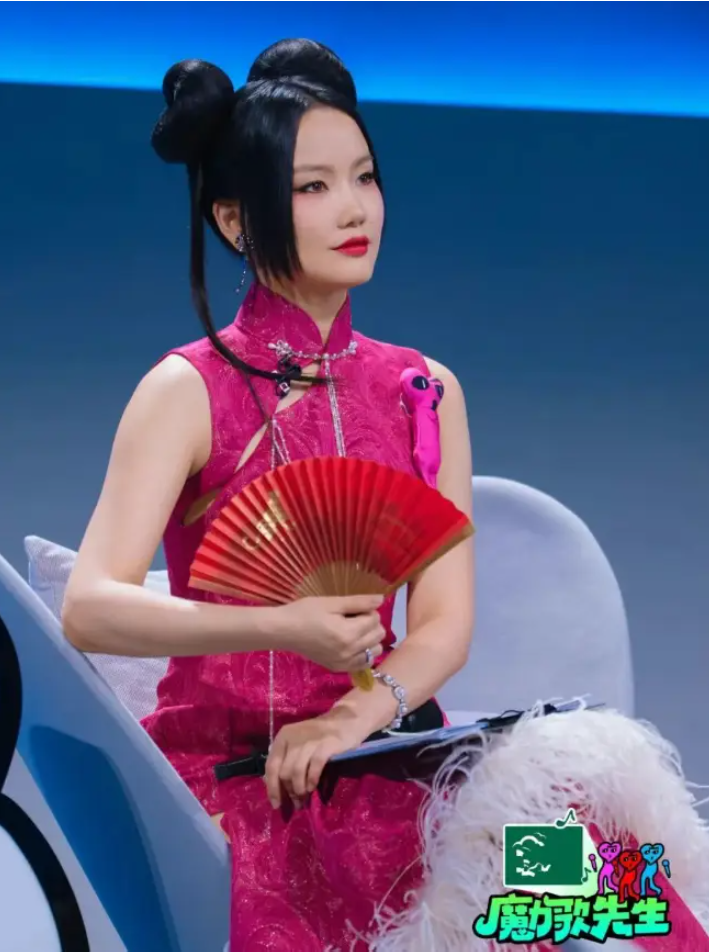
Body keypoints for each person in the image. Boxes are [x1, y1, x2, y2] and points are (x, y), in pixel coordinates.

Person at [63, 38, 475, 951]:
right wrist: (281, 626)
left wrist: (355, 714)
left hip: (390, 750)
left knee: (599, 885)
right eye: (311, 187)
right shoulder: (186, 389)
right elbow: (88, 607)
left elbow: (444, 623)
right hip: (240, 775)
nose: (354, 208)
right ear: (234, 220)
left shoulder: (425, 389)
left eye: (364, 177)